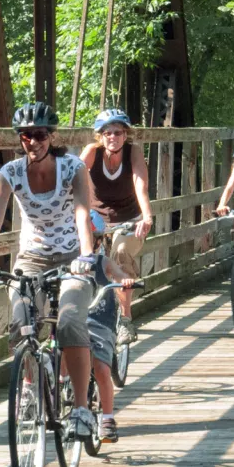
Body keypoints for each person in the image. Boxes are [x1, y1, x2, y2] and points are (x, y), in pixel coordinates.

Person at [0, 102, 102, 440]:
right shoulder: (11, 172)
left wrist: (86, 256)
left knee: (69, 322)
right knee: (20, 321)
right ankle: (29, 390)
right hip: (32, 257)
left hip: (72, 255)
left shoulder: (72, 168)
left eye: (40, 134)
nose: (33, 141)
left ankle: (82, 409)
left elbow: (84, 214)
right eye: (26, 135)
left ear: (51, 136)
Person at [77, 108, 153, 444]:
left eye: (119, 132)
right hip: (93, 220)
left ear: (126, 135)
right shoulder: (91, 154)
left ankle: (125, 319)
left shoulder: (134, 154)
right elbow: (73, 177)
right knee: (86, 261)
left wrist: (146, 216)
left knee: (120, 254)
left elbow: (140, 183)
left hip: (129, 219)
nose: (113, 137)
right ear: (99, 136)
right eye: (107, 132)